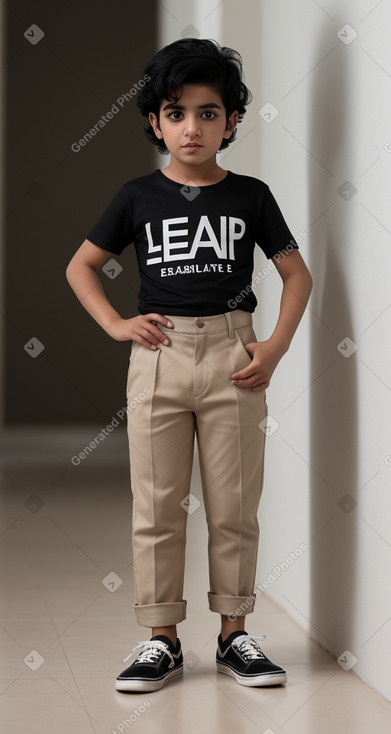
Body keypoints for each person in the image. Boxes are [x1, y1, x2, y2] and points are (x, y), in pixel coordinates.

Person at [65, 37, 313, 693]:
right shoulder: (136, 196)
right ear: (154, 122)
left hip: (234, 358)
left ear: (231, 122)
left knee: (234, 506)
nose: (191, 126)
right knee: (156, 505)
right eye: (176, 112)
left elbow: (296, 275)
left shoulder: (250, 196)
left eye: (208, 112)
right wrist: (117, 323)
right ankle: (161, 639)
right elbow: (81, 265)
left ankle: (234, 635)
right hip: (159, 359)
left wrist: (276, 345)